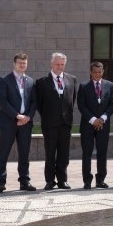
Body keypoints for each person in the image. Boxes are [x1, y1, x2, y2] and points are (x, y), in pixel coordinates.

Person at [0, 53, 38, 193]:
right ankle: (0, 182)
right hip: (8, 122)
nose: (22, 65)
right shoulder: (4, 80)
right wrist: (17, 116)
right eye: (20, 62)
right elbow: (2, 101)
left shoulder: (30, 81)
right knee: (3, 153)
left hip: (26, 123)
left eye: (24, 63)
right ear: (14, 63)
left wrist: (28, 117)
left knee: (24, 154)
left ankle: (24, 181)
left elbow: (33, 101)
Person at [35, 52, 77, 190]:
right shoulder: (41, 81)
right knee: (50, 152)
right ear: (51, 64)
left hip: (66, 123)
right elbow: (39, 104)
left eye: (62, 64)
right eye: (57, 64)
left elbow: (72, 100)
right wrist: (48, 115)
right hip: (50, 123)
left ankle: (62, 180)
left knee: (64, 153)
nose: (60, 67)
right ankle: (49, 181)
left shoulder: (72, 79)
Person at [77, 61, 113, 189]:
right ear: (90, 73)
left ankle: (100, 180)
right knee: (87, 152)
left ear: (103, 72)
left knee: (102, 152)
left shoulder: (110, 86)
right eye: (95, 72)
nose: (97, 74)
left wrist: (102, 119)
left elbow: (112, 104)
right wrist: (93, 119)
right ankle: (87, 180)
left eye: (100, 72)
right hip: (88, 125)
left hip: (103, 124)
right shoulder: (83, 86)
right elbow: (81, 106)